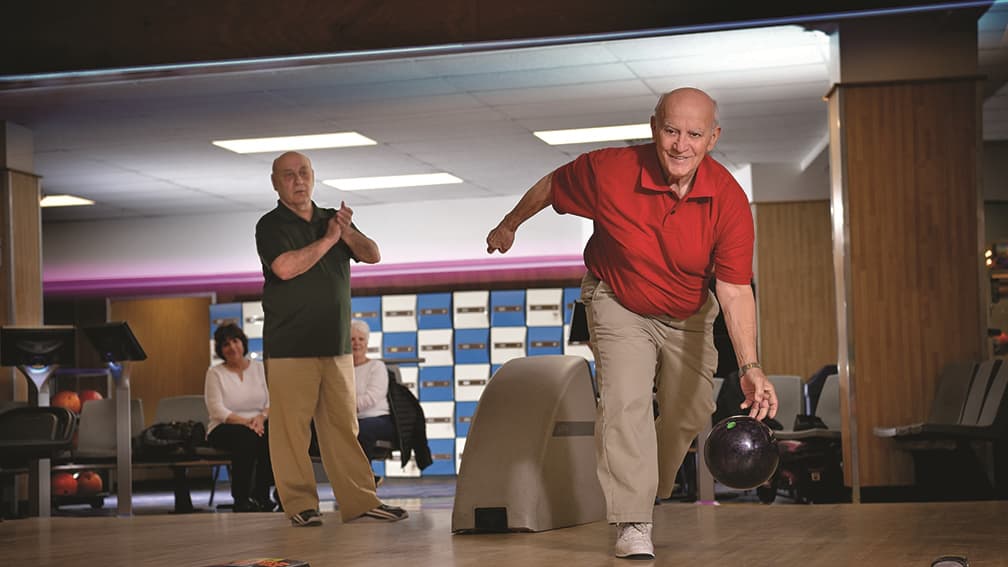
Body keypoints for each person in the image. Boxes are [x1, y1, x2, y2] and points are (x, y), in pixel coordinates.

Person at [486, 88, 778, 560]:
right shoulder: (610, 170)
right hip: (618, 297)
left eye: (694, 134)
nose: (681, 145)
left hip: (687, 309)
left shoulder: (727, 199)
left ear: (713, 137)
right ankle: (633, 519)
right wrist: (510, 223)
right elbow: (551, 185)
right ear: (653, 127)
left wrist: (750, 365)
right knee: (627, 402)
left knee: (691, 409)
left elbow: (734, 289)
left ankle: (646, 487)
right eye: (671, 131)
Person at [255, 150, 408, 527]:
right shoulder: (270, 225)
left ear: (313, 175)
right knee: (292, 429)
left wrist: (346, 232)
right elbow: (285, 268)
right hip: (290, 346)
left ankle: (360, 500)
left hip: (336, 343)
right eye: (288, 175)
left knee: (343, 425)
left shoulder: (331, 219)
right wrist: (328, 240)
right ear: (276, 182)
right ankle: (300, 504)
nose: (298, 180)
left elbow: (372, 254)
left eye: (304, 172)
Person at [204, 323, 275, 512]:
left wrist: (260, 418)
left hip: (259, 423)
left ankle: (262, 495)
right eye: (226, 344)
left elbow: (271, 401)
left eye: (235, 341)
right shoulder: (215, 373)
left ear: (243, 343)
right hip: (224, 427)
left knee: (272, 436)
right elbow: (216, 410)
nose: (232, 347)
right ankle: (241, 498)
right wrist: (248, 422)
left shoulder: (260, 368)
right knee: (246, 437)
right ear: (220, 349)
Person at [349, 319, 395, 485]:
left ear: (367, 343)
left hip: (378, 418)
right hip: (350, 418)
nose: (356, 343)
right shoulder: (341, 369)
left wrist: (347, 409)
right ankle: (353, 479)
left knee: (360, 430)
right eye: (352, 339)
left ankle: (364, 480)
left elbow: (373, 396)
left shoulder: (376, 366)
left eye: (361, 339)